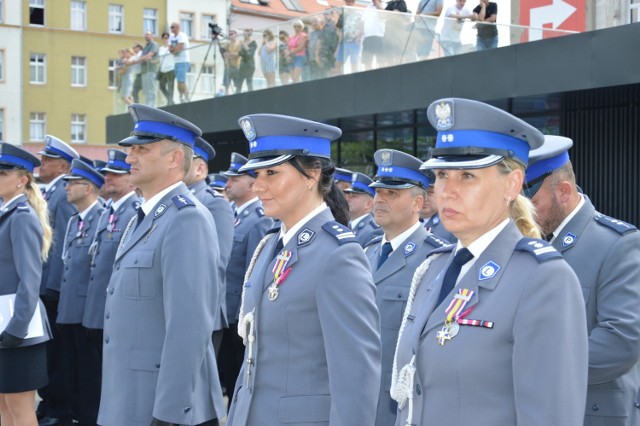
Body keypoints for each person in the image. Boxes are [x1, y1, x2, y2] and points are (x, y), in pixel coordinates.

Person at [392, 98, 588, 426]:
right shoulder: (433, 269)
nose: (447, 191)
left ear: (511, 184)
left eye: (467, 176)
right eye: (441, 174)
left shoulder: (543, 279)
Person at [226, 113, 381, 425]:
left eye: (272, 173)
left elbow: (356, 377)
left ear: (312, 174)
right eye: (258, 174)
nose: (259, 187)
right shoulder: (270, 245)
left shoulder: (338, 256)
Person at [97, 104, 225, 426]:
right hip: (128, 395)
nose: (129, 158)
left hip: (160, 404)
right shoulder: (144, 216)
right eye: (131, 150)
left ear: (175, 159)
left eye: (142, 149)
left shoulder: (186, 219)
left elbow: (189, 327)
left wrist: (168, 412)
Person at [524, 135, 640, 426]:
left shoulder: (616, 244)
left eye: (531, 202)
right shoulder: (525, 242)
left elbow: (620, 342)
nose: (522, 213)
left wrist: (529, 365)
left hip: (591, 412)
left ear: (564, 191)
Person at [363, 148, 448, 426]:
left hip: (399, 402)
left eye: (392, 194)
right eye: (378, 192)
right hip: (359, 395)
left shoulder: (434, 259)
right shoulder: (367, 252)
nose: (380, 200)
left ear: (417, 203)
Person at [83, 149, 140, 425]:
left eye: (117, 174)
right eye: (107, 174)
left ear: (132, 179)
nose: (109, 178)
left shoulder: (133, 211)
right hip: (96, 308)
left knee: (106, 377)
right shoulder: (111, 212)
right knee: (93, 375)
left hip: (115, 311)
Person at [0, 143, 53, 426]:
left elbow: (30, 278)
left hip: (20, 329)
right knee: (5, 405)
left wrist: (17, 329)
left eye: (2, 172)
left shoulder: (21, 217)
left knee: (20, 408)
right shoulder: (7, 213)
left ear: (22, 180)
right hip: (4, 324)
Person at [218, 152, 273, 409]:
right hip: (226, 314)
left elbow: (254, 274)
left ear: (252, 183)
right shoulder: (235, 216)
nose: (228, 182)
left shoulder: (259, 220)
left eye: (235, 178)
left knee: (239, 382)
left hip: (239, 320)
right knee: (228, 380)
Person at [57, 159, 105, 426]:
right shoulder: (76, 220)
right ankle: (76, 417)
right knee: (71, 375)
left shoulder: (102, 218)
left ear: (87, 188)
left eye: (72, 183)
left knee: (89, 377)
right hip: (69, 311)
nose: (67, 188)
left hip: (88, 314)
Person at [37, 135, 79, 426]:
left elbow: (62, 244)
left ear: (63, 165)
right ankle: (51, 403)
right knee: (49, 352)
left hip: (52, 288)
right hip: (45, 284)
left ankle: (59, 408)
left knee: (56, 353)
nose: (42, 163)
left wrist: (53, 285)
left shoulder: (61, 197)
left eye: (48, 159)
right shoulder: (50, 193)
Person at [183, 137, 234, 355]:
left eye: (186, 159)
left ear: (200, 168)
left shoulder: (214, 203)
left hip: (201, 314)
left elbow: (216, 263)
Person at [343, 171, 382, 246]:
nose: (348, 199)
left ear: (368, 204)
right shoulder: (347, 224)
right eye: (348, 195)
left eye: (354, 196)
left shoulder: (372, 232)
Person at [420, 172, 457, 242]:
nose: (424, 198)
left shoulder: (452, 226)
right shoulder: (403, 221)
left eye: (430, 193)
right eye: (420, 193)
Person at [336, 0, 364, 74]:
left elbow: (362, 26)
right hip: (343, 42)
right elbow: (338, 28)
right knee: (338, 63)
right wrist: (339, 38)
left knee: (354, 64)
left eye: (350, 1)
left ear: (353, 2)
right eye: (347, 1)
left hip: (354, 42)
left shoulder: (359, 14)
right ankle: (339, 80)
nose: (348, 3)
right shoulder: (343, 14)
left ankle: (355, 82)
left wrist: (358, 36)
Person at [168, 22, 191, 103]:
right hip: (176, 62)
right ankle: (184, 97)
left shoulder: (182, 35)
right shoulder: (171, 36)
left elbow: (179, 48)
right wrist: (174, 49)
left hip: (184, 61)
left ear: (177, 27)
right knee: (179, 81)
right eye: (171, 27)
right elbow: (170, 49)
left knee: (181, 81)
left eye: (173, 27)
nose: (171, 29)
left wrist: (174, 49)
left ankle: (184, 97)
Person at [362, 0, 386, 70]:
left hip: (379, 36)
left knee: (381, 60)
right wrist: (360, 33)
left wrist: (377, 3)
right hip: (367, 36)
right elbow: (363, 21)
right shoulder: (368, 6)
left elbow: (383, 14)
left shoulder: (385, 5)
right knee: (367, 61)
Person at [139, 30, 159, 107]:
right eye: (145, 34)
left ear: (152, 36)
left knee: (152, 88)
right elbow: (143, 57)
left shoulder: (154, 44)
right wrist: (143, 58)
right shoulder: (145, 46)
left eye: (148, 34)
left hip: (151, 69)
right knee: (146, 90)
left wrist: (143, 58)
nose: (146, 36)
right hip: (144, 70)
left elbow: (150, 55)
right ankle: (147, 105)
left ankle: (153, 105)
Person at [220, 30, 242, 94]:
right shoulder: (227, 44)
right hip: (228, 67)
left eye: (232, 34)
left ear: (236, 35)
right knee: (226, 84)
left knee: (237, 84)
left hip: (236, 66)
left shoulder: (239, 43)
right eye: (230, 34)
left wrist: (229, 55)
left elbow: (238, 54)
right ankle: (227, 95)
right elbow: (224, 54)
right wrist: (230, 55)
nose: (231, 35)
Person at [157, 32, 176, 105]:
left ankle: (170, 102)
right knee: (161, 87)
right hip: (163, 70)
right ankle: (170, 101)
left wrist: (171, 47)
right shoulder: (161, 48)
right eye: (164, 38)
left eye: (166, 38)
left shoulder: (171, 47)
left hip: (170, 69)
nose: (165, 39)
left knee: (170, 87)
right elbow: (159, 59)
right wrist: (152, 61)